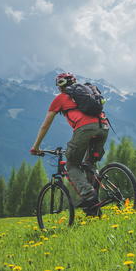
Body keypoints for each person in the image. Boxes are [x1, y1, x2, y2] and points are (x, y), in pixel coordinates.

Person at [31, 72, 109, 208]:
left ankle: (89, 194)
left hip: (85, 129)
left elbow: (45, 125)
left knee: (71, 165)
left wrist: (36, 146)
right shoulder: (87, 95)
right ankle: (94, 207)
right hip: (104, 125)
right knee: (90, 164)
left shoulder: (60, 98)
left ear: (60, 87)